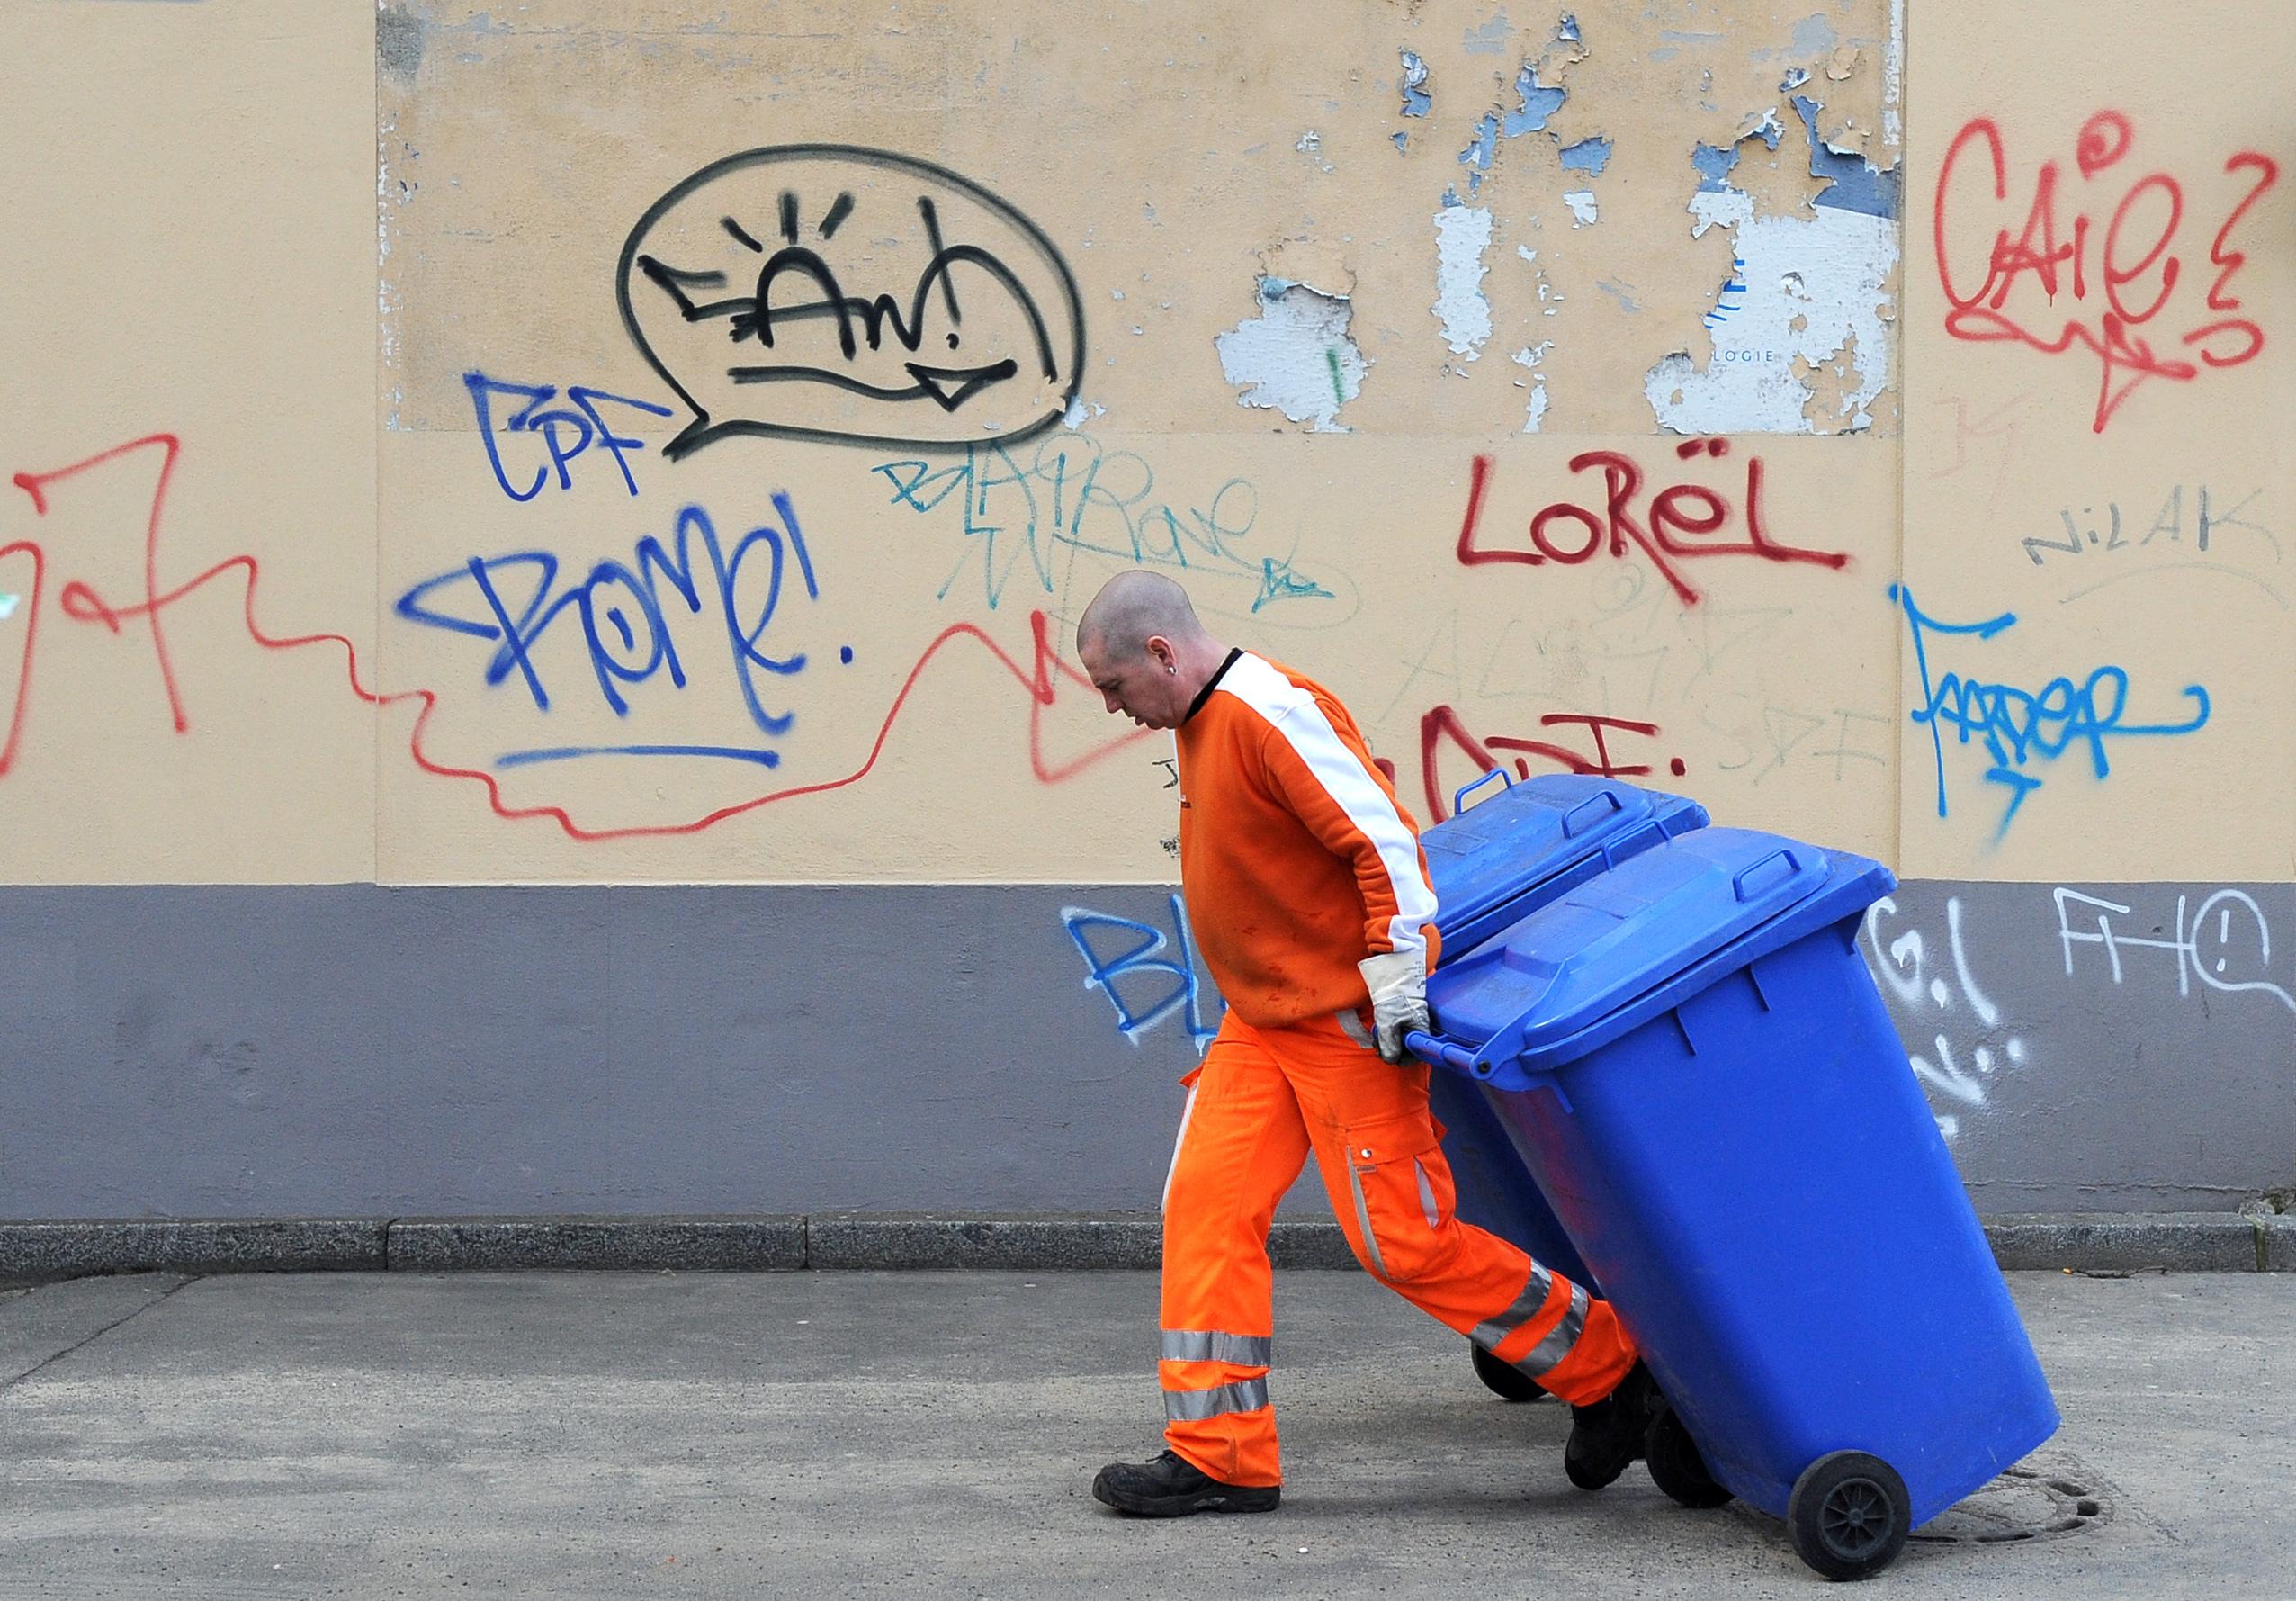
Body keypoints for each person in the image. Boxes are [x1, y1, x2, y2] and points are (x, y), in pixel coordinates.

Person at [1074, 571, 1660, 1516]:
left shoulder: (1269, 712)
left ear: (1160, 653)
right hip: (1259, 1021)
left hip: (1341, 1020)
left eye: (1113, 687)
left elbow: (1382, 843)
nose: (1112, 708)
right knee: (1204, 1211)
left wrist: (1395, 979)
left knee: (1400, 1242)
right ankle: (1220, 1456)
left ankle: (1610, 1370)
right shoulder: (1199, 721)